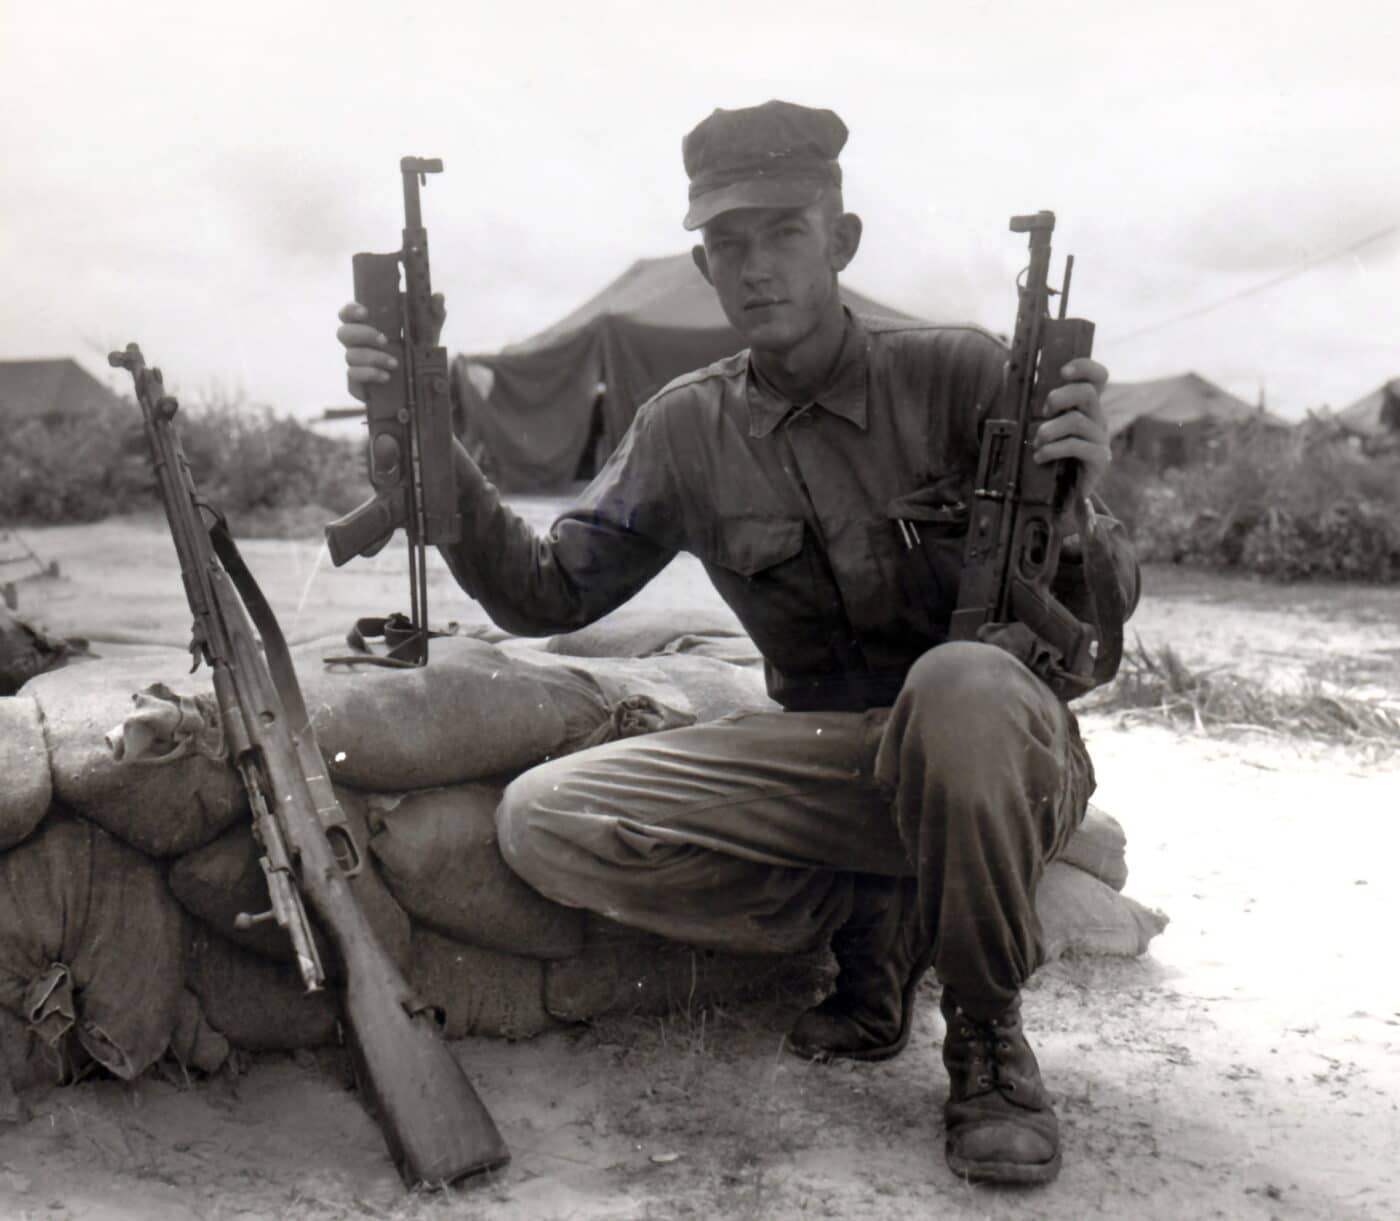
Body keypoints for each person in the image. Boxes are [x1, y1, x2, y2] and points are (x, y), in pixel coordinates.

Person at [337, 99, 1138, 1187]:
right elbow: (543, 593)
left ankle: (986, 1033)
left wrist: (1081, 510)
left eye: (782, 234)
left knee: (957, 684)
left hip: (1001, 759)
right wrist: (429, 430)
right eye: (725, 245)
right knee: (546, 819)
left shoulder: (959, 375)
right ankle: (877, 912)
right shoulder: (685, 427)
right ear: (704, 267)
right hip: (833, 769)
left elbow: (1091, 648)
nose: (754, 268)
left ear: (840, 243)